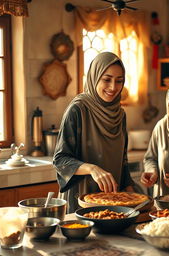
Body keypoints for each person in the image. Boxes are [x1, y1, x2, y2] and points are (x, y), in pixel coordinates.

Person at [53, 52, 135, 213]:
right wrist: (92, 169)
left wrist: (133, 196)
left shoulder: (120, 114)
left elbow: (122, 160)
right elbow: (60, 160)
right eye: (107, 79)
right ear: (94, 76)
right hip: (80, 201)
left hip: (113, 201)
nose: (113, 87)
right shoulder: (78, 109)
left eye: (119, 81)